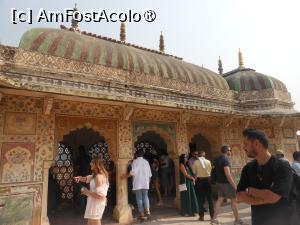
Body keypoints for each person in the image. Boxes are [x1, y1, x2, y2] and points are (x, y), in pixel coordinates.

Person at [237, 128, 300, 225]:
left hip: (283, 220)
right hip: (259, 220)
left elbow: (273, 197)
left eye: (246, 144)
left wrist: (250, 191)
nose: (243, 148)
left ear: (257, 144)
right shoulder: (248, 168)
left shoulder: (282, 166)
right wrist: (262, 198)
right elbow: (239, 195)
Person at [212, 146, 245, 225]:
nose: (231, 152)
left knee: (219, 200)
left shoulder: (217, 159)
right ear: (227, 151)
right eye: (230, 150)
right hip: (227, 183)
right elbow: (227, 174)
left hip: (220, 183)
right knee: (234, 201)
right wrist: (234, 185)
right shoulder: (225, 160)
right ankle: (237, 220)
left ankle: (214, 219)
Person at [74, 157, 109, 225]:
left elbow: (100, 196)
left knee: (95, 222)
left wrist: (87, 192)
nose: (90, 164)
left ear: (97, 165)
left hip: (97, 203)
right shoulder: (96, 175)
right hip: (94, 202)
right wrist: (79, 178)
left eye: (92, 162)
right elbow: (86, 178)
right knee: (90, 222)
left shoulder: (98, 177)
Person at [123, 149, 152, 220]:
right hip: (145, 183)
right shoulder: (146, 162)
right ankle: (147, 211)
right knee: (145, 197)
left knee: (139, 199)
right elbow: (149, 174)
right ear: (143, 154)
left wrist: (125, 176)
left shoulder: (135, 162)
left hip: (138, 183)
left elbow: (133, 172)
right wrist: (148, 183)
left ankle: (142, 214)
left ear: (136, 155)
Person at [191, 150, 214, 221]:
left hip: (199, 181)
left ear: (198, 156)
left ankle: (201, 216)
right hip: (207, 181)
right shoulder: (208, 161)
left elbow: (194, 173)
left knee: (200, 199)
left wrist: (194, 180)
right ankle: (212, 216)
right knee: (210, 199)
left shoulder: (195, 162)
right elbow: (210, 171)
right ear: (204, 155)